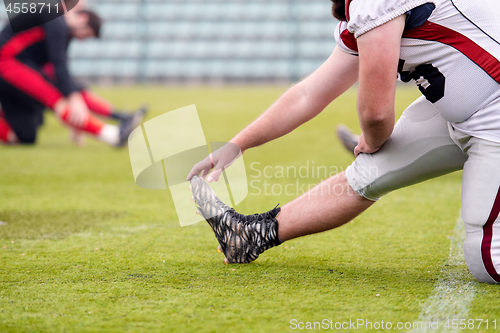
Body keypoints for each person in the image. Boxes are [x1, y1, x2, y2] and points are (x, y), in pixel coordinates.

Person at [187, 0, 500, 284]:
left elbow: (376, 115)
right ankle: (251, 236)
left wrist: (373, 138)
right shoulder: (368, 10)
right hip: (473, 105)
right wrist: (238, 144)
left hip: (492, 110)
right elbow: (308, 94)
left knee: (488, 260)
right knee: (369, 173)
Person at [0, 8, 145, 146]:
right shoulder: (56, 20)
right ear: (82, 18)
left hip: (18, 66)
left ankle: (119, 117)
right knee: (56, 98)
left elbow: (56, 72)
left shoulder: (61, 32)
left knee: (25, 136)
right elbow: (58, 65)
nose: (82, 39)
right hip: (5, 60)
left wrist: (76, 121)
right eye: (86, 34)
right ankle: (113, 135)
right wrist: (74, 99)